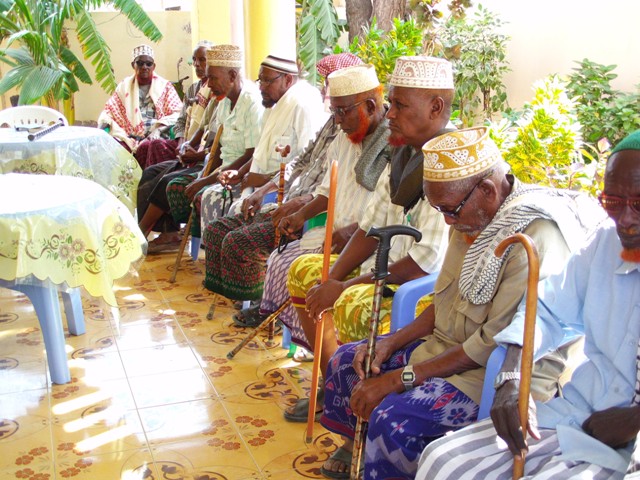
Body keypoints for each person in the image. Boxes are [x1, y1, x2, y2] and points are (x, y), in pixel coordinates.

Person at [318, 127, 606, 479]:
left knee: (394, 419)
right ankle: (359, 450)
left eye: (450, 210)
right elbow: (445, 302)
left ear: (487, 190)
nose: (447, 221)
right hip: (445, 349)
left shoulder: (532, 240)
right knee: (348, 362)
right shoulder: (470, 213)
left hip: (492, 374)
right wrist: (390, 343)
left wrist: (400, 379)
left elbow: (491, 346)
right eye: (439, 209)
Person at [416, 130, 640, 480]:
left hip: (630, 445)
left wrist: (634, 420)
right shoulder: (606, 244)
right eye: (613, 202)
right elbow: (547, 311)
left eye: (638, 204)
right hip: (581, 415)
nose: (624, 219)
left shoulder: (541, 231)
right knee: (442, 461)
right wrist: (511, 373)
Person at [282, 56, 454, 422]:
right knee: (305, 272)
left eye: (401, 105)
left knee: (352, 304)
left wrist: (346, 287)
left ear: (436, 108)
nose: (391, 114)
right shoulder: (403, 154)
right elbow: (369, 228)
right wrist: (331, 280)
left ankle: (359, 412)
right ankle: (335, 386)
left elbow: (425, 261)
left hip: (424, 291)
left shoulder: (450, 164)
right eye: (391, 103)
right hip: (384, 271)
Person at [247, 63, 391, 343]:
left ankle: (324, 353)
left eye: (343, 111)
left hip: (367, 247)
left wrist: (352, 231)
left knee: (296, 268)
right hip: (333, 238)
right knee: (281, 260)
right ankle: (316, 350)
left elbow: (384, 217)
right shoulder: (343, 140)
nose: (337, 120)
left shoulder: (394, 145)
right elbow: (327, 191)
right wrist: (300, 215)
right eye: (333, 111)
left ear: (371, 106)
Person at [201, 53, 362, 302]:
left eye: (268, 81)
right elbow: (301, 160)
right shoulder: (332, 123)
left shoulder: (319, 114)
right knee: (216, 230)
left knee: (237, 241)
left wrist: (300, 206)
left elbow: (332, 190)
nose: (327, 92)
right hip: (288, 199)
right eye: (329, 85)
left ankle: (257, 304)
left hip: (308, 213)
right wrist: (263, 190)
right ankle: (242, 300)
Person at [144, 44, 264, 252]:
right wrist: (204, 176)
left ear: (232, 75)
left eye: (213, 78)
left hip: (240, 174)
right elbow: (218, 147)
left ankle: (217, 254)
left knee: (205, 195)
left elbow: (251, 154)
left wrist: (205, 181)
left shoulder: (251, 102)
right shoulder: (224, 101)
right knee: (175, 186)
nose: (208, 84)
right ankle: (208, 254)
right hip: (220, 170)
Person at [197, 54, 326, 237]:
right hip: (260, 185)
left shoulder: (303, 105)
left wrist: (262, 180)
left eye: (267, 81)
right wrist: (240, 173)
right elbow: (260, 152)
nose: (261, 87)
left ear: (288, 80)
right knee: (215, 211)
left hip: (286, 192)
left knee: (235, 216)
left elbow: (304, 166)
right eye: (260, 80)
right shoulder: (273, 105)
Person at [134, 42, 215, 250]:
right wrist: (182, 143)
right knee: (150, 170)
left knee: (161, 168)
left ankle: (145, 234)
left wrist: (197, 152)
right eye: (195, 60)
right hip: (186, 145)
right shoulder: (194, 89)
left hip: (206, 156)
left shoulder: (218, 94)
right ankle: (159, 231)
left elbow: (214, 139)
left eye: (202, 60)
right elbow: (181, 121)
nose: (197, 65)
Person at [98, 44, 183, 168]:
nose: (144, 67)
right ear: (133, 65)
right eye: (140, 63)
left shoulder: (165, 87)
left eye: (148, 64)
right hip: (129, 136)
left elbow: (177, 113)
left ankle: (146, 179)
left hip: (156, 135)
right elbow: (109, 111)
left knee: (147, 146)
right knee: (115, 147)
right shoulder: (124, 86)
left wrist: (158, 129)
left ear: (154, 66)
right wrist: (103, 125)